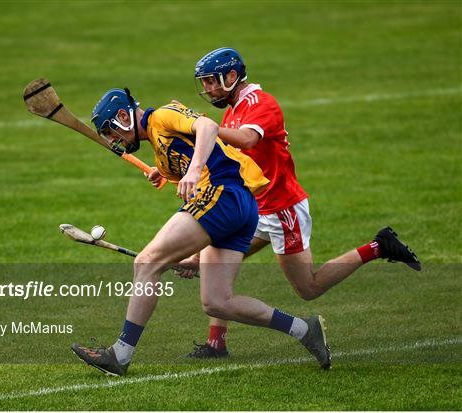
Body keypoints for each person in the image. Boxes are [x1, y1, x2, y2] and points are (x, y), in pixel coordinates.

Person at [164, 47, 421, 358]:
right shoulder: (232, 111)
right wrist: (167, 171)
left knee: (308, 288)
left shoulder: (262, 103)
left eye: (210, 81)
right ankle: (216, 342)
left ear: (231, 76)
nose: (207, 89)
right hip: (253, 207)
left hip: (282, 208)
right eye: (203, 83)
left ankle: (379, 246)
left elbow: (246, 140)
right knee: (214, 262)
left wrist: (208, 127)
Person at [71, 87, 332, 376]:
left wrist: (193, 170)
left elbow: (207, 126)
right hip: (240, 207)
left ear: (123, 116)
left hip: (224, 193)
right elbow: (186, 167)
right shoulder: (159, 149)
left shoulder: (162, 116)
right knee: (218, 302)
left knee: (147, 262)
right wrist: (168, 175)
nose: (111, 140)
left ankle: (120, 355)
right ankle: (304, 329)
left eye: (110, 131)